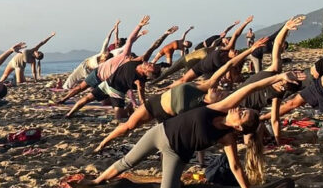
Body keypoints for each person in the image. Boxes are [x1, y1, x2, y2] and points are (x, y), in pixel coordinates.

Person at [90, 73, 292, 188]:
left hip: (177, 154)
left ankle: (172, 180)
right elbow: (250, 88)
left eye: (242, 113)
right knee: (128, 162)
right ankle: (98, 180)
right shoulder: (220, 107)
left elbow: (235, 166)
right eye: (243, 109)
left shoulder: (227, 137)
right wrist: (279, 77)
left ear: (239, 127)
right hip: (159, 134)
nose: (239, 109)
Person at [93, 37, 271, 152]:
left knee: (157, 143)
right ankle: (102, 143)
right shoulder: (204, 86)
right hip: (155, 106)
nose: (218, 90)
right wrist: (250, 50)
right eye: (220, 89)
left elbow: (199, 135)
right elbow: (227, 66)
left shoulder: (207, 111)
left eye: (221, 93)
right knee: (128, 127)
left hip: (169, 122)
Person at [64, 25, 176, 120]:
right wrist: (165, 34)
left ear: (147, 73)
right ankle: (69, 114)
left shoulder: (139, 81)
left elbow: (142, 98)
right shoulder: (140, 60)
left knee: (119, 118)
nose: (151, 63)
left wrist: (142, 108)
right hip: (106, 84)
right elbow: (154, 46)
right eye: (152, 64)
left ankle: (128, 109)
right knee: (85, 99)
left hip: (117, 93)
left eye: (151, 67)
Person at [59, 15, 151, 105]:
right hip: (97, 73)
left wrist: (134, 102)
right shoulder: (122, 54)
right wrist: (139, 26)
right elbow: (130, 40)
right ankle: (64, 99)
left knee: (105, 102)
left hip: (105, 81)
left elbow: (129, 87)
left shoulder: (129, 68)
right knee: (80, 88)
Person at [168, 16, 255, 86]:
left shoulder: (230, 63)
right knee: (184, 80)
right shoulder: (228, 48)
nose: (236, 51)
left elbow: (229, 75)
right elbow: (236, 35)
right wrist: (245, 23)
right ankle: (166, 88)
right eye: (236, 51)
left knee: (206, 83)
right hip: (202, 65)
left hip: (211, 73)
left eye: (236, 54)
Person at [62, 21, 120, 91]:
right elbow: (106, 41)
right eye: (107, 52)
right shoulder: (102, 53)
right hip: (84, 65)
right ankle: (65, 87)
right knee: (73, 77)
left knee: (88, 84)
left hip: (89, 71)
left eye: (108, 53)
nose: (107, 52)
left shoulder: (105, 63)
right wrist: (112, 30)